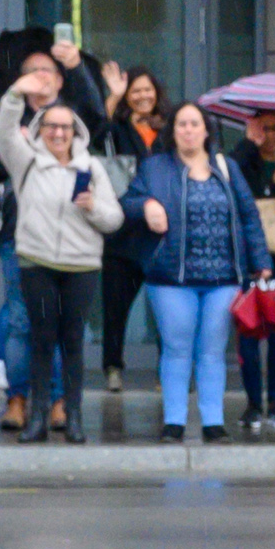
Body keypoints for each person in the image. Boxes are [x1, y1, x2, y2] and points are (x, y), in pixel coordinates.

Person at [0, 41, 103, 433]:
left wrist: (79, 67)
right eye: (31, 69)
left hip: (72, 238)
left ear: (59, 80)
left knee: (69, 325)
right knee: (22, 322)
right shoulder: (8, 123)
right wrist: (17, 149)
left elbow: (97, 116)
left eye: (47, 70)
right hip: (21, 236)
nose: (39, 75)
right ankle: (18, 399)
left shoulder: (70, 120)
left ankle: (61, 401)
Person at [127, 102, 274, 443]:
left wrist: (261, 260)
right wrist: (147, 205)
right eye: (181, 124)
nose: (188, 130)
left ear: (207, 131)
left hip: (223, 278)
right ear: (172, 131)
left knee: (212, 350)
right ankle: (174, 421)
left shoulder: (227, 168)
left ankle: (213, 422)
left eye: (195, 124)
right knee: (177, 349)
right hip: (171, 278)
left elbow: (249, 216)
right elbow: (128, 202)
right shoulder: (155, 168)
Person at [0, 80, 122, 444]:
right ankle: (36, 418)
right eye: (51, 126)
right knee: (41, 340)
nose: (58, 133)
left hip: (82, 266)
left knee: (73, 342)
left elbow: (114, 219)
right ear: (40, 130)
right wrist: (15, 93)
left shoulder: (92, 167)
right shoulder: (27, 163)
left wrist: (93, 207)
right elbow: (4, 133)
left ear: (76, 132)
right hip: (38, 262)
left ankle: (74, 415)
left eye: (66, 126)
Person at [226, 106, 275, 432]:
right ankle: (251, 403)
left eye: (274, 129)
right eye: (262, 129)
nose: (268, 136)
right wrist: (247, 145)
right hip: (247, 257)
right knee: (247, 330)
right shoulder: (240, 160)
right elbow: (230, 188)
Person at [93, 65, 164, 392]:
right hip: (122, 232)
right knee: (115, 307)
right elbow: (96, 134)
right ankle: (113, 367)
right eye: (136, 91)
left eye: (147, 90)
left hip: (162, 233)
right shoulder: (117, 128)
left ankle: (169, 370)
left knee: (167, 307)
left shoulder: (170, 127)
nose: (143, 96)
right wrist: (113, 96)